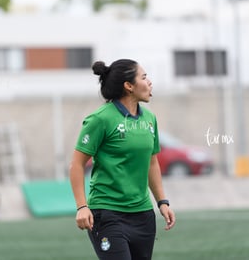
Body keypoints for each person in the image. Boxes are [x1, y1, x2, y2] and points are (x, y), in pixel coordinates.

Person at [69, 59, 176, 260]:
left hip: (143, 215)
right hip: (107, 214)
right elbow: (77, 164)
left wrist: (162, 201)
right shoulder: (100, 119)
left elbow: (152, 163)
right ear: (128, 86)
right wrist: (82, 206)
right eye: (144, 77)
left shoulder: (149, 119)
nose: (150, 82)